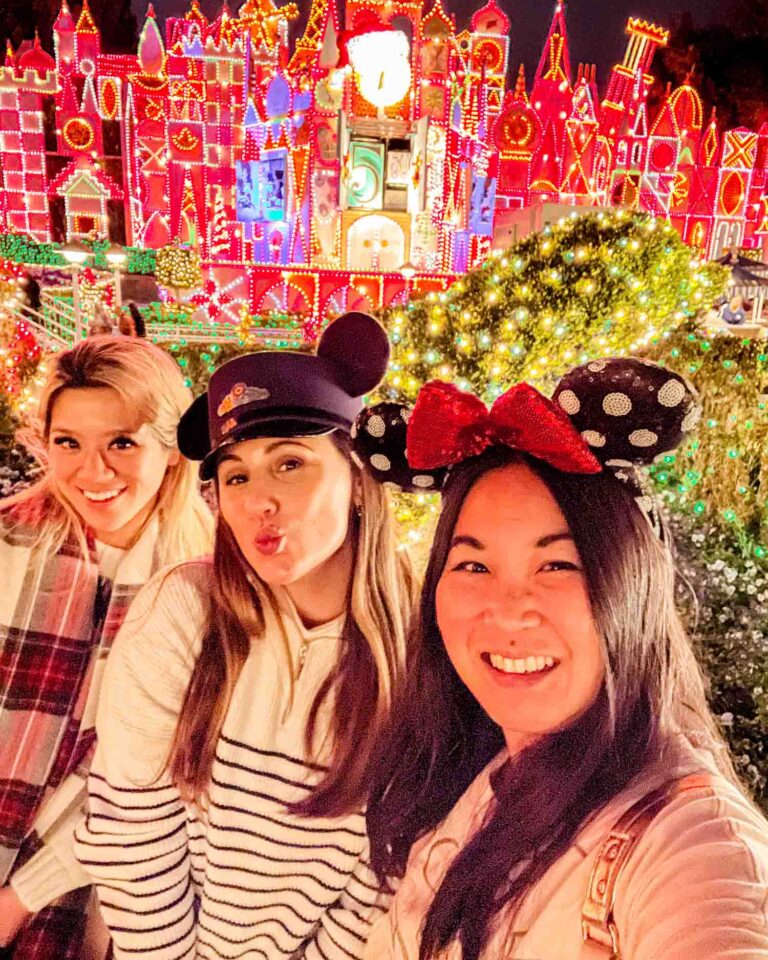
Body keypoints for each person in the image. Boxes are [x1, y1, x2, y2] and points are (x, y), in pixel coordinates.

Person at [352, 360, 768, 960]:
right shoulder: (477, 777)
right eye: (473, 565)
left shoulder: (689, 841)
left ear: (632, 589)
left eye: (557, 565)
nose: (509, 610)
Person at [74, 313, 418, 959]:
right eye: (235, 476)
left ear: (359, 484)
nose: (258, 498)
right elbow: (130, 832)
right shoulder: (184, 613)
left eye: (290, 462)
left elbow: (384, 880)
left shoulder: (421, 652)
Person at [0, 336, 213, 960]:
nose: (93, 473)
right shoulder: (9, 539)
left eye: (121, 442)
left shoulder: (212, 581)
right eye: (69, 444)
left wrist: (20, 899)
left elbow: (160, 780)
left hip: (105, 888)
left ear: (172, 449)